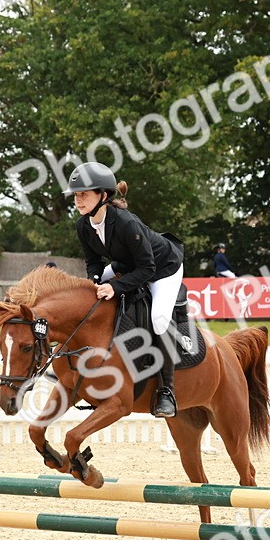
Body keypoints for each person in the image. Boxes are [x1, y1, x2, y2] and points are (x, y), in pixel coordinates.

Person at [67, 161, 184, 418]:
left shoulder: (126, 222)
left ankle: (167, 392)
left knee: (159, 320)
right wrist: (96, 282)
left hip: (163, 269)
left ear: (103, 196)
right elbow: (93, 262)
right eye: (76, 195)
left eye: (84, 194)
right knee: (90, 295)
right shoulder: (83, 225)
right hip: (130, 265)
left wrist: (115, 286)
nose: (78, 200)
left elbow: (148, 268)